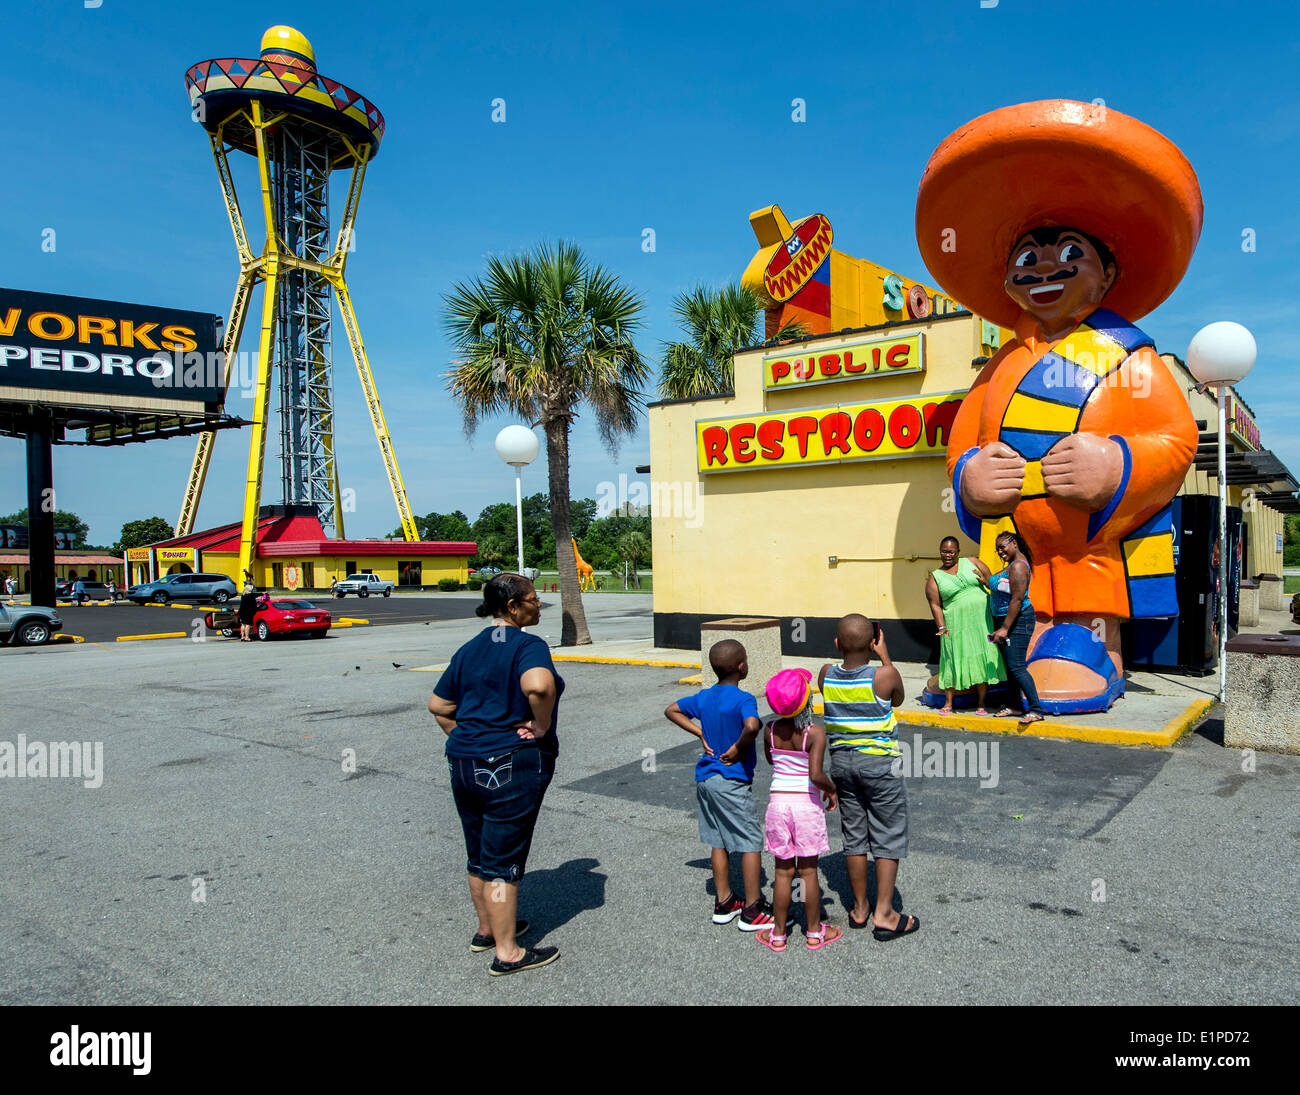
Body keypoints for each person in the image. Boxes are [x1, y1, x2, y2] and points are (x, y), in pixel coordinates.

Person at [428, 573, 563, 976]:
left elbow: (439, 705)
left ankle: (487, 928)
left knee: (479, 852)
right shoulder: (527, 645)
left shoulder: (470, 649)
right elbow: (539, 687)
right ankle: (508, 952)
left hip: (464, 762)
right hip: (509, 764)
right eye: (534, 600)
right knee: (503, 858)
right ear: (512, 607)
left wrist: (468, 739)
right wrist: (539, 726)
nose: (539, 606)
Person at [818, 614, 919, 942]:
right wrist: (885, 655)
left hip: (842, 765)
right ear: (873, 643)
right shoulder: (884, 674)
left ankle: (859, 908)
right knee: (887, 833)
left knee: (855, 835)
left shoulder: (825, 675)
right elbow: (898, 698)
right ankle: (885, 913)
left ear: (837, 644)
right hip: (879, 765)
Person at [665, 640, 774, 932]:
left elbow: (672, 710)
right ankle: (753, 908)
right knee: (750, 841)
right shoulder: (743, 699)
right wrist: (739, 747)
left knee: (718, 840)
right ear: (742, 667)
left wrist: (699, 731)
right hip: (731, 780)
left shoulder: (703, 697)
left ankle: (724, 901)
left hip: (706, 779)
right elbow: (753, 726)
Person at [755, 668, 840, 952]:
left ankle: (778, 934)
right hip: (805, 807)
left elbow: (772, 760)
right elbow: (815, 775)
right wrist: (831, 789)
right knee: (808, 872)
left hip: (778, 806)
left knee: (782, 873)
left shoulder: (770, 731)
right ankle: (815, 932)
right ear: (807, 702)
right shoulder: (814, 734)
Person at [926, 536, 1005, 713]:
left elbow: (993, 582)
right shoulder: (935, 578)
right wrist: (941, 627)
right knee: (952, 658)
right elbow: (935, 605)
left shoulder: (972, 562)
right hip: (955, 624)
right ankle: (948, 703)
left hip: (981, 621)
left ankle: (982, 703)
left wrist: (986, 583)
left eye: (951, 551)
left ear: (958, 552)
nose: (947, 555)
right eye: (944, 551)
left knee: (981, 657)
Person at [989, 532, 1045, 725]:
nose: (1000, 551)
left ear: (1013, 543)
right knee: (1011, 667)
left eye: (1002, 546)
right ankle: (1015, 706)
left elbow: (1017, 599)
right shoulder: (1014, 565)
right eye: (997, 549)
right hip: (1009, 620)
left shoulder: (1019, 566)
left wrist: (1004, 627)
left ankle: (1036, 709)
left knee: (1017, 666)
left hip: (1018, 621)